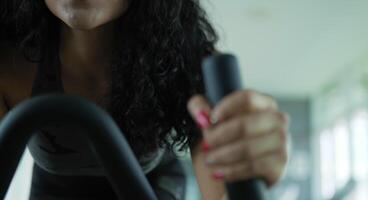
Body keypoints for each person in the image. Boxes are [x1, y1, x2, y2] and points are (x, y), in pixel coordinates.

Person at [0, 0, 289, 199]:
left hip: (152, 188)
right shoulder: (7, 60)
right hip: (53, 191)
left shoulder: (189, 62)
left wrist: (247, 172)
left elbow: (225, 192)